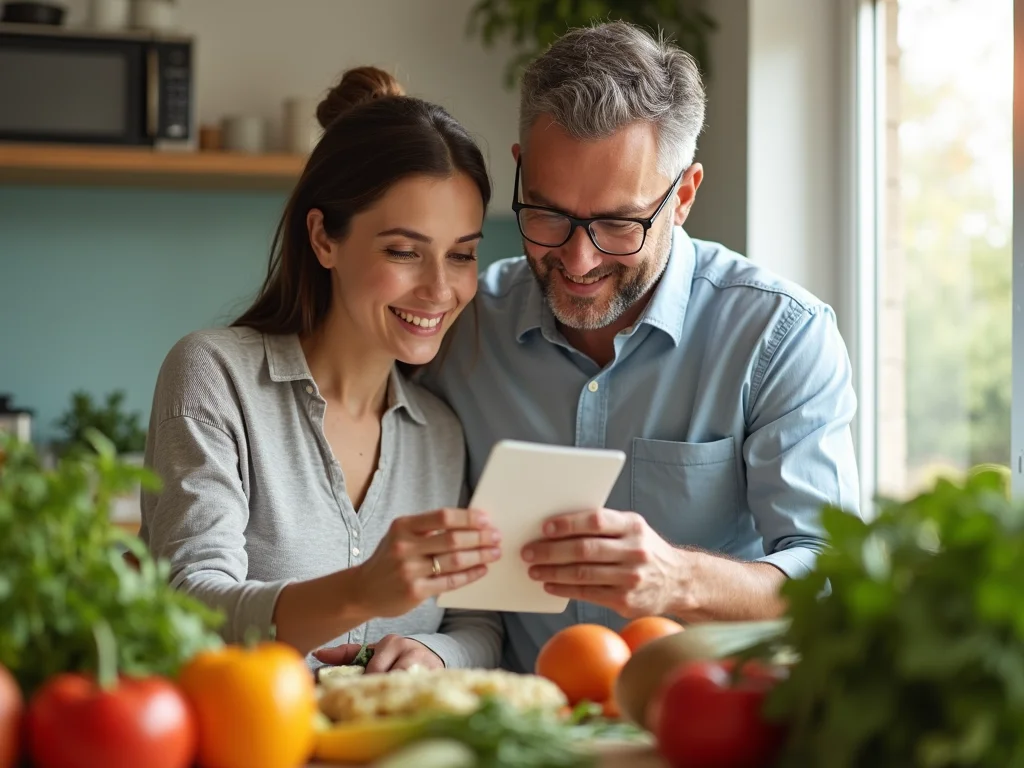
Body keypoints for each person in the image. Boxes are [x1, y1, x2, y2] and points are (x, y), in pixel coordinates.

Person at [417, 21, 862, 674]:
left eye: (618, 224)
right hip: (515, 723)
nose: (577, 257)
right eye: (546, 214)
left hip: (699, 724)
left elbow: (832, 575)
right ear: (520, 170)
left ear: (683, 196)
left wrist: (679, 579)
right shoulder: (461, 327)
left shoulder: (779, 335)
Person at [139, 66, 504, 673]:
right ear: (324, 238)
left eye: (462, 254)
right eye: (404, 252)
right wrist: (359, 591)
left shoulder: (440, 430)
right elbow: (189, 606)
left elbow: (477, 624)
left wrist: (433, 653)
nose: (440, 289)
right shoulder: (215, 376)